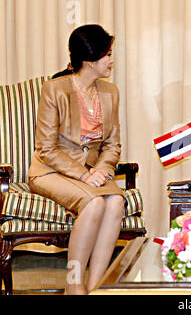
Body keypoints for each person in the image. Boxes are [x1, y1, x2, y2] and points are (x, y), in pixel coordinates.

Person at [28, 24, 124, 295]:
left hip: (91, 172)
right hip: (49, 171)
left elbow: (113, 144)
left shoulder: (110, 92)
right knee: (94, 204)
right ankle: (74, 284)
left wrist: (103, 169)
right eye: (107, 55)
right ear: (90, 60)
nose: (111, 61)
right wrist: (84, 174)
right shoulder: (55, 89)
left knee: (116, 202)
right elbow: (45, 148)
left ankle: (96, 287)